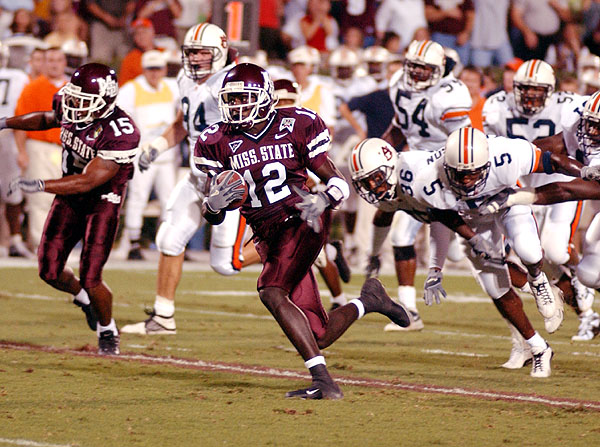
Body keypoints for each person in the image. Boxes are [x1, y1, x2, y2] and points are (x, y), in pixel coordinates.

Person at [195, 62, 411, 399]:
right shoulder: (217, 140)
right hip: (267, 234)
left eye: (243, 99)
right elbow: (212, 217)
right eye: (231, 100)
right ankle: (370, 300)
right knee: (318, 333)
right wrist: (213, 204)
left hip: (302, 218)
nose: (236, 107)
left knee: (271, 291)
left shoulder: (295, 124)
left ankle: (324, 382)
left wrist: (323, 200)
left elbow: (339, 183)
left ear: (264, 97)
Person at [351, 129, 580, 377]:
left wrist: (585, 174)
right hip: (471, 217)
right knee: (494, 286)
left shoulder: (502, 157)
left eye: (375, 179)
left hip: (502, 201)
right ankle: (537, 348)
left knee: (527, 250)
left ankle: (538, 281)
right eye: (366, 183)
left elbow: (549, 160)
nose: (372, 187)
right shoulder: (411, 185)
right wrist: (380, 255)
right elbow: (427, 216)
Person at [3, 63, 140, 355]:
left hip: (102, 199)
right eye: (73, 98)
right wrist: (6, 122)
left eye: (82, 101)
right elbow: (48, 119)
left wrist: (40, 184)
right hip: (69, 193)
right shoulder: (73, 105)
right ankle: (83, 299)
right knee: (49, 270)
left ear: (104, 100)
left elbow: (89, 181)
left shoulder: (120, 131)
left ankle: (107, 330)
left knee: (91, 276)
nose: (74, 106)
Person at [120, 23, 248, 335]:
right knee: (168, 239)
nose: (195, 59)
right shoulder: (184, 78)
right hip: (197, 177)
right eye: (191, 52)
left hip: (230, 183)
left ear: (219, 52)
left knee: (225, 265)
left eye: (202, 53)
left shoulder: (234, 81)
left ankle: (292, 244)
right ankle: (163, 317)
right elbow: (183, 122)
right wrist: (158, 144)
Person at [482, 59, 597, 341]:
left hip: (569, 184)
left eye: (538, 90)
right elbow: (555, 145)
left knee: (557, 252)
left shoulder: (565, 105)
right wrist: (505, 160)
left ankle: (580, 292)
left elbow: (567, 190)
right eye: (526, 89)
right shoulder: (577, 111)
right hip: (531, 181)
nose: (531, 96)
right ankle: (577, 295)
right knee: (532, 255)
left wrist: (527, 195)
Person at [375, 39, 472, 331]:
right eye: (412, 67)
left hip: (447, 165)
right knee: (401, 236)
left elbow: (465, 142)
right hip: (413, 163)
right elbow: (399, 125)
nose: (416, 74)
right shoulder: (397, 83)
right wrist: (378, 150)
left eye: (423, 69)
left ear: (439, 70)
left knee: (462, 251)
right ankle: (408, 312)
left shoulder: (450, 94)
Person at [116, 50, 179, 260]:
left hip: (166, 155)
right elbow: (120, 117)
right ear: (144, 69)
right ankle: (132, 241)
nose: (155, 73)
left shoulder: (170, 87)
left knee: (170, 200)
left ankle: (169, 242)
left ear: (164, 69)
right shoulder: (131, 89)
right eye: (151, 69)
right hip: (143, 155)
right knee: (138, 198)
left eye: (158, 68)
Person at [14, 46, 69, 250]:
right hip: (39, 145)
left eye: (58, 59)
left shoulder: (72, 88)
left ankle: (60, 245)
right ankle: (41, 245)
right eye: (50, 60)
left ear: (64, 62)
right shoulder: (33, 87)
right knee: (40, 198)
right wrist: (21, 151)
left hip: (66, 149)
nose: (54, 64)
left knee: (65, 200)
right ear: (43, 63)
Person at [0, 41, 33, 257]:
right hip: (8, 133)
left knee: (13, 188)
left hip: (10, 134)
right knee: (12, 189)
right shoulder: (19, 76)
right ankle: (14, 239)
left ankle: (14, 240)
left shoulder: (19, 77)